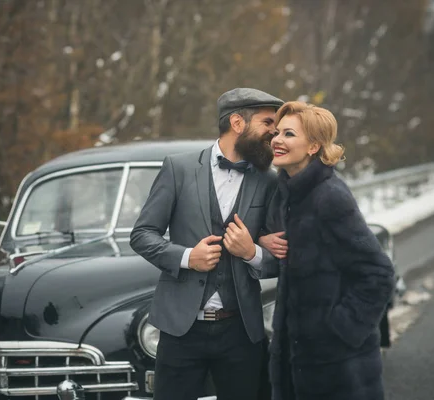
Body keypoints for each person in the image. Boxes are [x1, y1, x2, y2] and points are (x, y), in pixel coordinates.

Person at [130, 88, 284, 400]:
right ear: (238, 123)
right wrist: (188, 257)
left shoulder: (269, 180)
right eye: (268, 122)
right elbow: (142, 234)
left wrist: (252, 252)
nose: (274, 132)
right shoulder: (179, 168)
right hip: (180, 329)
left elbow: (279, 258)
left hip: (241, 330)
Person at [259, 101, 395, 400]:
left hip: (336, 368)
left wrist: (339, 330)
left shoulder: (329, 197)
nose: (277, 140)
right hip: (297, 358)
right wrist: (258, 242)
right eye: (277, 132)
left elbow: (379, 273)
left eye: (289, 134)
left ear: (313, 147)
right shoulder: (289, 193)